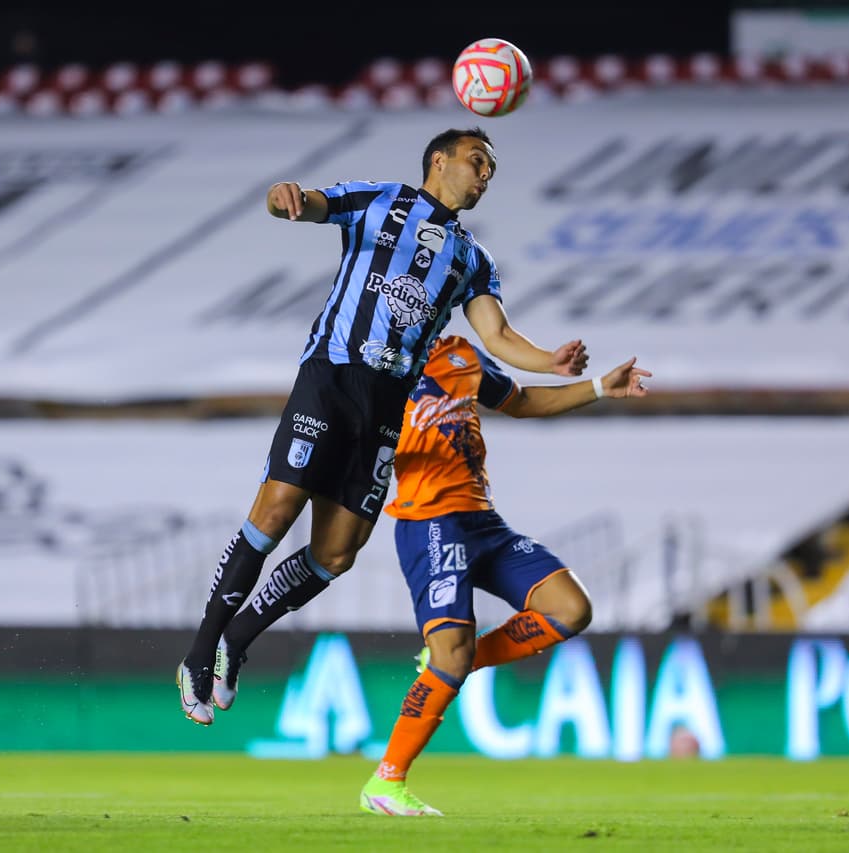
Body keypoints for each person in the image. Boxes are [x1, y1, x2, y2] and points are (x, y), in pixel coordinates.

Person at [177, 127, 590, 726]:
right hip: (333, 378)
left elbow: (497, 335)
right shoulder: (381, 202)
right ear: (438, 161)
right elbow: (306, 203)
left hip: (385, 409)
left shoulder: (472, 258)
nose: (485, 175)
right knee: (275, 509)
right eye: (478, 162)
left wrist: (549, 359)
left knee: (335, 554)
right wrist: (282, 195)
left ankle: (235, 640)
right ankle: (198, 650)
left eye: (491, 169)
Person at [356, 335, 650, 815]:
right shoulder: (373, 366)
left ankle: (454, 663)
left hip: (483, 521)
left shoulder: (461, 354)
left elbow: (521, 400)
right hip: (430, 523)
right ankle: (386, 782)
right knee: (448, 658)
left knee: (571, 608)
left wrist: (598, 387)